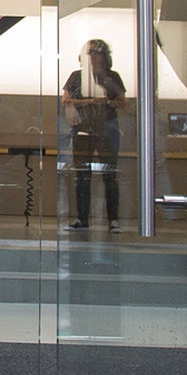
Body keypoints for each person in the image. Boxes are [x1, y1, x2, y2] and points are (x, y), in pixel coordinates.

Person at [61, 38, 125, 231]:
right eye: (90, 53)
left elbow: (122, 102)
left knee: (110, 175)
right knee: (82, 175)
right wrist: (91, 102)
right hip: (83, 130)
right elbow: (66, 100)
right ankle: (82, 218)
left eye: (96, 53)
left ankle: (113, 219)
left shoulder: (111, 76)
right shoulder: (76, 76)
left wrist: (107, 101)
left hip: (107, 130)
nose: (93, 57)